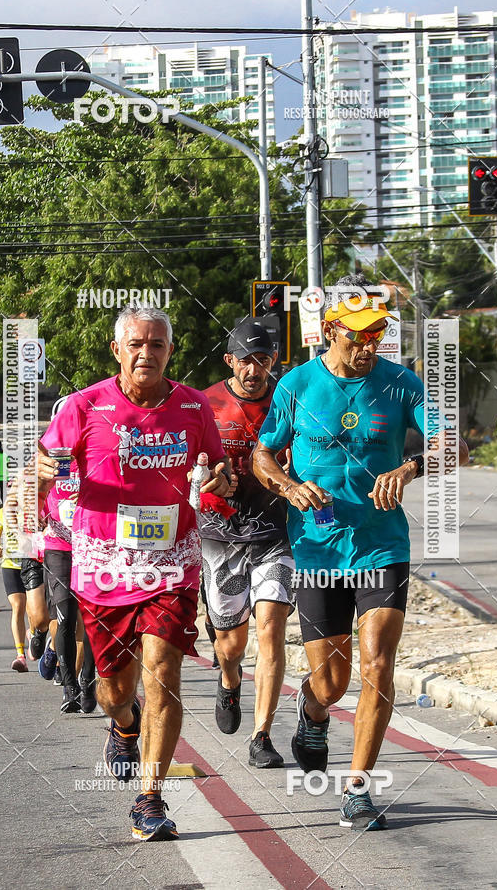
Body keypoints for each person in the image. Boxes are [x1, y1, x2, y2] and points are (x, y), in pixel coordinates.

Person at [253, 278, 469, 831]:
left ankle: (357, 787)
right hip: (318, 547)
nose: (370, 346)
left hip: (381, 546)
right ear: (330, 331)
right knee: (332, 681)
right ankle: (313, 709)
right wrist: (287, 487)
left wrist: (409, 467)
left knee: (377, 663)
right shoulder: (297, 385)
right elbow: (262, 455)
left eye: (377, 335)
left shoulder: (401, 384)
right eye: (358, 336)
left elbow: (457, 445)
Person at [37, 305, 229, 841]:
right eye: (137, 344)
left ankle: (150, 799)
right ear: (118, 351)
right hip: (104, 565)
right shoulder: (84, 405)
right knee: (114, 691)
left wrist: (219, 477)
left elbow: (216, 468)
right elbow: (48, 464)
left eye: (158, 344)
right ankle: (123, 725)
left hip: (172, 562)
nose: (147, 353)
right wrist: (46, 468)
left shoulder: (194, 406)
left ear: (171, 350)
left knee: (164, 673)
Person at [200, 322, 295, 767]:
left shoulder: (289, 398)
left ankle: (262, 736)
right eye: (244, 359)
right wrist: (205, 481)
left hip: (276, 532)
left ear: (272, 361)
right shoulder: (206, 403)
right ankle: (229, 679)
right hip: (221, 533)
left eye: (262, 359)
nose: (253, 369)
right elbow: (187, 464)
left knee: (271, 628)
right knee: (231, 644)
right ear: (229, 361)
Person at [39, 455, 97, 713]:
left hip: (94, 547)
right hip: (58, 548)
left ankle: (88, 681)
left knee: (93, 619)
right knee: (66, 617)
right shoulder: (51, 462)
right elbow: (31, 498)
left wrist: (89, 500)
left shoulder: (96, 456)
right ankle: (70, 687)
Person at [0, 506, 30, 672]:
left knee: (35, 612)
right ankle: (20, 655)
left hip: (32, 564)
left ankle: (34, 633)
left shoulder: (32, 510)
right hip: (10, 565)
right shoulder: (2, 513)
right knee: (18, 606)